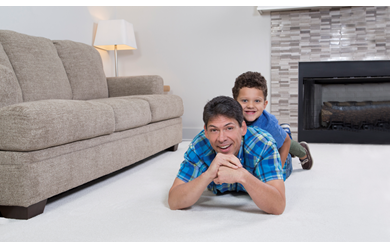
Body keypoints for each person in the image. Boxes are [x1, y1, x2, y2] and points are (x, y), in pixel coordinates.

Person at [168, 96, 287, 215]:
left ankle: (287, 133)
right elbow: (174, 201)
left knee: (286, 162)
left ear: (243, 128)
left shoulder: (264, 144)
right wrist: (208, 175)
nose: (221, 138)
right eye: (214, 130)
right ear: (206, 131)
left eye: (229, 128)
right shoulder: (199, 147)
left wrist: (243, 176)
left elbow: (278, 206)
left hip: (280, 161)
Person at [232, 71, 313, 170]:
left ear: (264, 104)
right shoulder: (231, 119)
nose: (250, 106)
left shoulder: (268, 124)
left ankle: (303, 151)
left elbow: (286, 142)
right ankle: (284, 129)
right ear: (234, 102)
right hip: (257, 149)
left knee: (286, 140)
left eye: (257, 101)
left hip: (279, 150)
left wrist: (279, 169)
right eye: (245, 100)